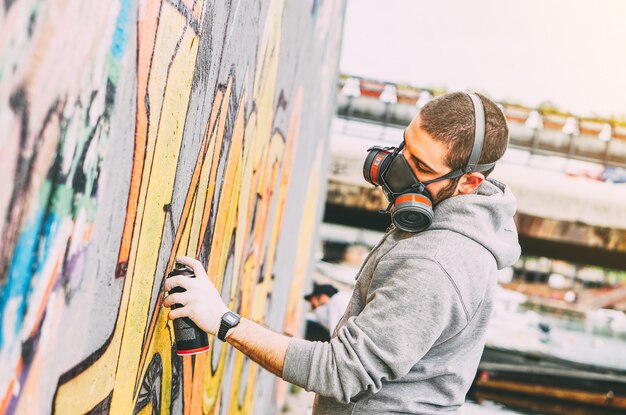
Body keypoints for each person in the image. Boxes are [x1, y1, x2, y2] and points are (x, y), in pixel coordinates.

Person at [164, 92, 521, 414]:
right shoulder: (445, 228)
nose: (398, 170)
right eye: (405, 149)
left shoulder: (437, 264)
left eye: (422, 167)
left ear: (470, 182)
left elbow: (340, 371)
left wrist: (223, 321)